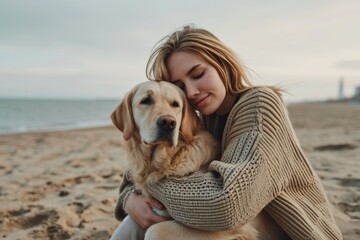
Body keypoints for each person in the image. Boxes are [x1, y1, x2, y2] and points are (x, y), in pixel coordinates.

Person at [110, 25, 342, 240]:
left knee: (159, 234)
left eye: (198, 74)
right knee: (131, 225)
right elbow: (134, 176)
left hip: (294, 234)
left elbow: (229, 206)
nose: (191, 92)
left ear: (221, 64)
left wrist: (149, 185)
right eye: (179, 86)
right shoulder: (203, 118)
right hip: (241, 228)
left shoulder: (261, 106)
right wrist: (129, 199)